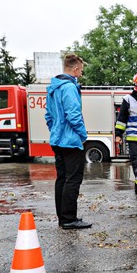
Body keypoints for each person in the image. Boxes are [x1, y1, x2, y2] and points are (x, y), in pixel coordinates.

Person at [45, 53, 92, 229]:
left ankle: (62, 218)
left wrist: (55, 131)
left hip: (57, 140)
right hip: (71, 141)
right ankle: (69, 219)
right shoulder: (69, 88)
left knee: (62, 179)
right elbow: (74, 115)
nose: (81, 74)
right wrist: (83, 135)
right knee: (73, 180)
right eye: (81, 71)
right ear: (76, 69)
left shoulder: (53, 88)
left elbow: (48, 116)